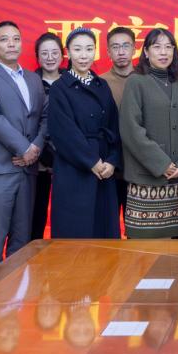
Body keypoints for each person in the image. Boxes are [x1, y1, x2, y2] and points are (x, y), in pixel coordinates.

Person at [0, 21, 48, 273]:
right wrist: (24, 148)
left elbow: (44, 116)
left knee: (22, 238)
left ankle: (16, 291)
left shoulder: (34, 79)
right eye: (4, 39)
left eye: (16, 39)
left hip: (28, 168)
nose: (11, 44)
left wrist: (35, 148)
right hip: (0, 168)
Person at [47, 28, 121, 239]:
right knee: (76, 231)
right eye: (77, 49)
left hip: (104, 167)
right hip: (74, 168)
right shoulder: (60, 87)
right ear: (68, 52)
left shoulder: (102, 85)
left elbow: (114, 126)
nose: (83, 55)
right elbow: (64, 132)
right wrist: (91, 161)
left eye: (89, 49)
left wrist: (112, 161)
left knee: (103, 230)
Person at [120, 28, 178, 238]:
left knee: (172, 247)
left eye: (169, 47)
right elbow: (131, 129)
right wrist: (162, 164)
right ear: (146, 52)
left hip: (175, 179)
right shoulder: (136, 81)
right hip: (146, 178)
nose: (163, 52)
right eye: (157, 47)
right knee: (143, 247)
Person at [99, 25, 135, 233]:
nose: (121, 52)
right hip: (108, 168)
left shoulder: (146, 80)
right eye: (115, 47)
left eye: (126, 46)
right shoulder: (99, 82)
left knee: (137, 231)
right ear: (108, 52)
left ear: (134, 49)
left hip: (139, 168)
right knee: (108, 228)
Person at [32, 32, 63, 241]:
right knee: (36, 216)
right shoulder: (29, 82)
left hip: (67, 160)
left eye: (54, 52)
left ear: (62, 55)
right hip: (37, 161)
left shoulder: (72, 81)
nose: (50, 57)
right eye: (44, 53)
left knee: (65, 217)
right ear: (37, 56)